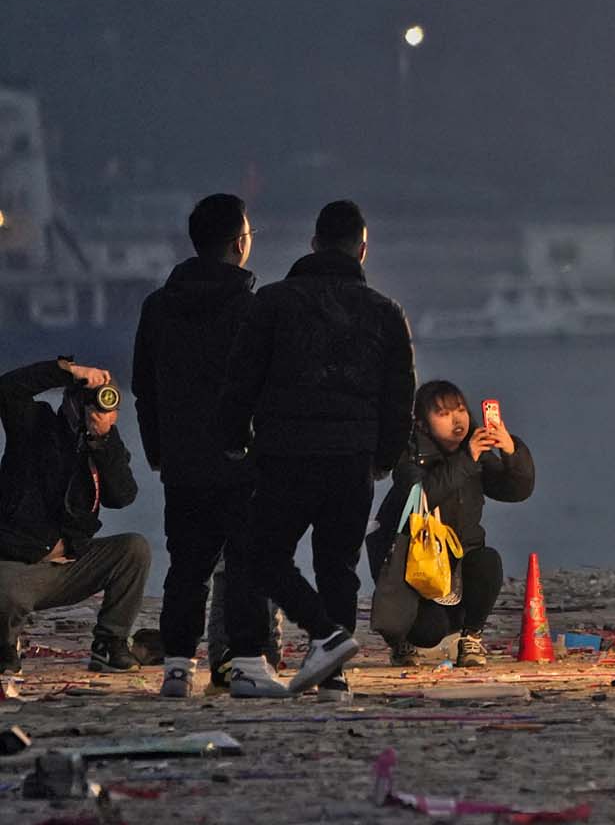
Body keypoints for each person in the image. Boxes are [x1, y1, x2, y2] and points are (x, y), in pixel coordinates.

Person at [217, 200, 415, 697]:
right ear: (362, 249)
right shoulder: (386, 313)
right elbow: (400, 398)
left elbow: (242, 378)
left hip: (286, 449)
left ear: (313, 243)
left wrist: (234, 437)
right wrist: (384, 457)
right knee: (337, 563)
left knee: (262, 555)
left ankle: (319, 634)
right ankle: (334, 670)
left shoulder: (274, 302)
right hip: (353, 455)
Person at [132, 193, 276, 697]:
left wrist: (157, 448)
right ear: (240, 242)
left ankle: (176, 666)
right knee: (244, 565)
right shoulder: (251, 309)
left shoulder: (157, 307)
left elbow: (143, 388)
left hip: (181, 461)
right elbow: (265, 389)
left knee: (186, 566)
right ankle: (249, 667)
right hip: (240, 461)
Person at [364, 380, 534, 667]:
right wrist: (468, 458)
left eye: (460, 410)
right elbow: (423, 495)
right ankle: (403, 639)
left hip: (460, 561)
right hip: (417, 569)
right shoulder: (410, 455)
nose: (457, 420)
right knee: (429, 633)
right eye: (443, 414)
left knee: (488, 561)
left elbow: (516, 491)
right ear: (422, 423)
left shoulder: (473, 452)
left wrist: (510, 452)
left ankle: (472, 637)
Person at [0, 358, 150, 674]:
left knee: (134, 549)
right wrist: (68, 370)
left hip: (71, 567)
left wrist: (102, 440)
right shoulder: (34, 425)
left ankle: (109, 644)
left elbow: (122, 497)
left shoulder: (103, 443)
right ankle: (5, 645)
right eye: (91, 397)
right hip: (19, 566)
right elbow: (7, 389)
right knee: (7, 591)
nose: (100, 405)